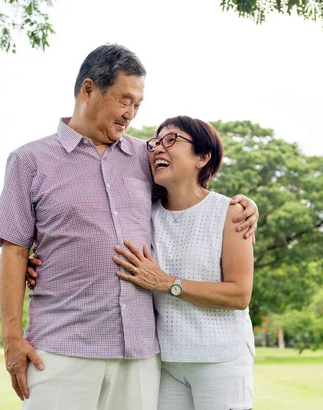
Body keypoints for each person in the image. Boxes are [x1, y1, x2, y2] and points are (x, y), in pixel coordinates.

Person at [0, 44, 258, 410]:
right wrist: (11, 338)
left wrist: (244, 204)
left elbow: (190, 190)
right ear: (88, 90)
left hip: (141, 354)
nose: (130, 113)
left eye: (138, 104)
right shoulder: (29, 160)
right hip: (62, 347)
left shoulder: (144, 158)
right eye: (124, 100)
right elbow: (14, 250)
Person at [113, 116, 255, 410]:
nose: (157, 149)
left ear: (203, 157)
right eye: (155, 143)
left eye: (172, 140)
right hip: (164, 362)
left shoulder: (231, 212)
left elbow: (240, 295)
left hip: (221, 360)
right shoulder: (144, 215)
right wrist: (38, 260)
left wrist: (168, 283)